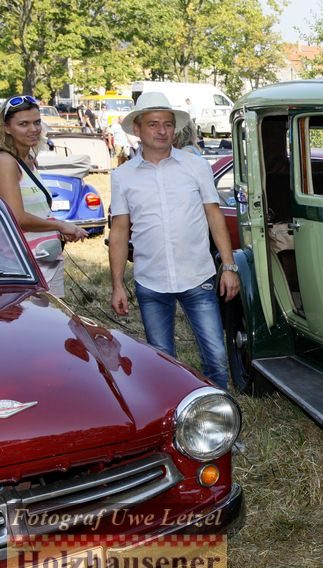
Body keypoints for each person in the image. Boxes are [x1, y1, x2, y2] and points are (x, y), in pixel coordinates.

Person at [108, 92, 239, 390]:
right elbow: (119, 232)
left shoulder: (196, 167)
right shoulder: (123, 176)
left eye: (167, 124)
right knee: (162, 361)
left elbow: (214, 216)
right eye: (153, 124)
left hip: (198, 276)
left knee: (216, 357)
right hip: (150, 280)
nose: (162, 131)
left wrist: (229, 266)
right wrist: (117, 284)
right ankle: (176, 422)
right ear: (138, 130)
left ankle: (219, 418)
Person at [0, 95, 88, 296]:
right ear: (6, 128)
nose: (33, 129)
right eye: (23, 124)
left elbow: (37, 211)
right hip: (22, 268)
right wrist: (60, 225)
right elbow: (17, 218)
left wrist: (57, 230)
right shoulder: (5, 161)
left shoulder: (30, 159)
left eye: (37, 122)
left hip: (46, 260)